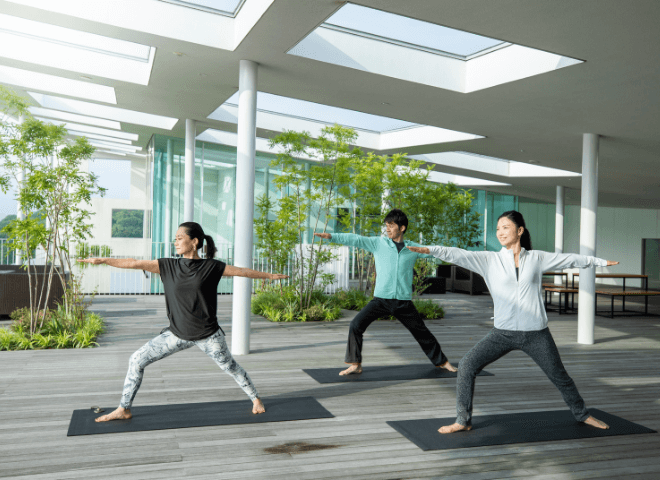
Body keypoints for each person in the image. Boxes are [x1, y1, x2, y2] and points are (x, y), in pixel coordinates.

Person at [408, 210, 616, 433]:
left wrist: (599, 261)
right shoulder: (490, 260)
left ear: (519, 230)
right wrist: (430, 250)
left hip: (536, 333)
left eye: (505, 227)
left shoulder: (537, 258)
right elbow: (457, 254)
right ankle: (462, 420)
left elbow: (571, 258)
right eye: (497, 228)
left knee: (560, 376)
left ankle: (583, 414)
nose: (500, 232)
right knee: (467, 365)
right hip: (502, 333)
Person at [78, 222, 288, 422]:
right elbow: (134, 263)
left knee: (231, 367)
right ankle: (123, 409)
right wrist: (104, 260)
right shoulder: (167, 265)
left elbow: (242, 272)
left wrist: (269, 276)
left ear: (194, 241)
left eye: (180, 238)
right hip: (176, 334)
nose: (176, 242)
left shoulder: (211, 267)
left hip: (208, 336)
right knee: (136, 360)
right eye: (175, 239)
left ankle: (256, 398)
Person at [314, 209, 456, 376]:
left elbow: (435, 252)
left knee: (421, 332)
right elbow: (356, 239)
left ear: (402, 228)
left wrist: (458, 254)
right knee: (356, 325)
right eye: (386, 226)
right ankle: (355, 364)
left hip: (403, 301)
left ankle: (443, 362)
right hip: (380, 300)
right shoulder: (378, 243)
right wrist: (332, 237)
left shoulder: (412, 248)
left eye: (391, 225)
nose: (387, 229)